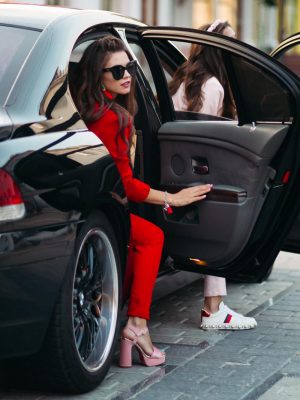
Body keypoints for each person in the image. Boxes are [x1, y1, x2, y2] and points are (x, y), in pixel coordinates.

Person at [70, 35, 213, 367]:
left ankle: (127, 320)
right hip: (103, 212)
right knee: (151, 236)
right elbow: (129, 186)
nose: (126, 75)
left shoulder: (87, 111)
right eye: (116, 70)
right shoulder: (113, 118)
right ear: (97, 76)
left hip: (86, 211)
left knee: (141, 237)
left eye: (130, 66)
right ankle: (136, 326)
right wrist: (172, 198)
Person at [169, 20, 257, 330]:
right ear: (218, 49)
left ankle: (215, 306)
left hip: (171, 175)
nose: (237, 49)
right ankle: (213, 308)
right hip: (196, 181)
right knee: (226, 205)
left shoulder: (180, 81)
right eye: (231, 43)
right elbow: (207, 146)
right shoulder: (214, 86)